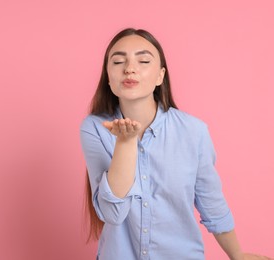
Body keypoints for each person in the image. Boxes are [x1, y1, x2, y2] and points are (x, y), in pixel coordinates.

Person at [80, 28, 271, 260]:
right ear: (108, 78)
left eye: (143, 60)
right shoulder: (95, 128)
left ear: (160, 76)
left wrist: (237, 254)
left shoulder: (194, 131)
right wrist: (125, 143)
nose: (130, 68)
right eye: (119, 61)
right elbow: (113, 213)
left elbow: (211, 202)